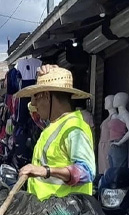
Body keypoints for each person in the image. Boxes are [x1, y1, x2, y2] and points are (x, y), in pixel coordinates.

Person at [13, 65, 96, 201]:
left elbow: (86, 172)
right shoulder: (52, 125)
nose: (34, 104)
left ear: (46, 96)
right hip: (45, 211)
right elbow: (32, 108)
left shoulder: (74, 129)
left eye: (36, 97)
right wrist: (40, 77)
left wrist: (45, 171)